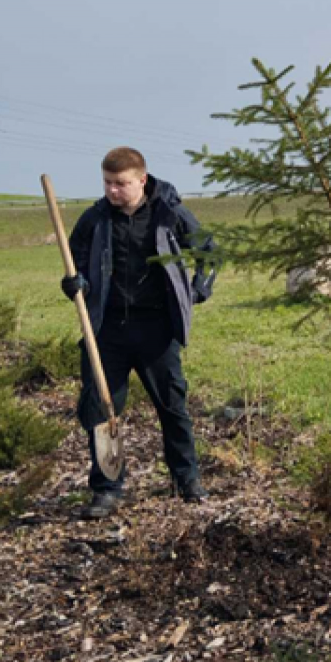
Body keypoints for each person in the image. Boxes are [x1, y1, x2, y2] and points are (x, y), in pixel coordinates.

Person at [61, 147, 217, 520]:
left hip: (156, 331)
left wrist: (197, 291)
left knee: (173, 406)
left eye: (121, 184)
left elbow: (209, 253)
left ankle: (187, 479)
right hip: (107, 332)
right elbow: (75, 264)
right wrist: (74, 284)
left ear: (141, 180)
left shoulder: (169, 213)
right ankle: (107, 488)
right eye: (108, 183)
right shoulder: (95, 219)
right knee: (101, 410)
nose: (112, 191)